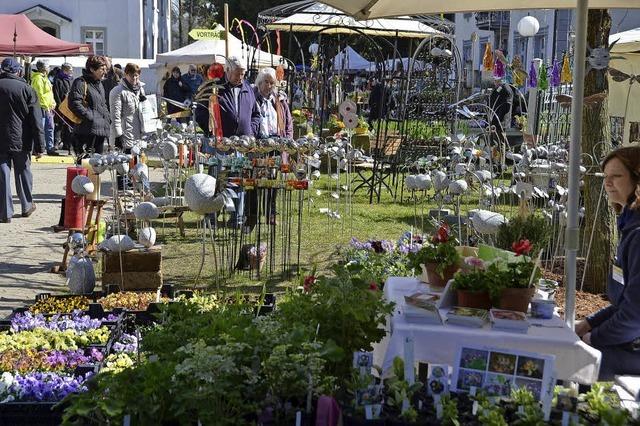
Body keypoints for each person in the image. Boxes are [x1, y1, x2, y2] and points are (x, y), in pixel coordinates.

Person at [575, 146, 640, 380]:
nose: (608, 183)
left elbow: (634, 315)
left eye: (617, 176)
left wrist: (593, 338)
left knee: (572, 366)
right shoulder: (629, 226)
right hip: (628, 341)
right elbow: (624, 302)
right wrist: (588, 323)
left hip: (632, 350)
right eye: (605, 177)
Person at [217, 57, 260, 228]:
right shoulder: (217, 89)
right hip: (223, 143)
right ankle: (213, 215)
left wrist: (251, 130)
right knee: (220, 180)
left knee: (239, 181)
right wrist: (211, 131)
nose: (240, 77)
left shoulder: (248, 88)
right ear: (227, 71)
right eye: (237, 74)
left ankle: (237, 217)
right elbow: (205, 114)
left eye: (243, 74)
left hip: (242, 144)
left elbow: (256, 114)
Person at [0, 58, 44, 223]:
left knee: (2, 174)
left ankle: (5, 212)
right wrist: (40, 146)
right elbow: (36, 120)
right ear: (18, 71)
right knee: (23, 172)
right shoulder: (27, 89)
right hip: (22, 139)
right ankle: (26, 206)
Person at [252, 67, 294, 225]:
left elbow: (288, 123)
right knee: (256, 180)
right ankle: (253, 215)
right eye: (265, 82)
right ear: (259, 82)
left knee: (273, 181)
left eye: (271, 83)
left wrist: (287, 141)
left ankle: (271, 214)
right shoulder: (252, 98)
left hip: (276, 143)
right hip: (259, 143)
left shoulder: (280, 100)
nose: (268, 86)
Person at [110, 63, 146, 189]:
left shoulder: (140, 89)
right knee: (123, 165)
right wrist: (119, 136)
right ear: (126, 75)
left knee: (136, 164)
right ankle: (122, 191)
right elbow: (115, 116)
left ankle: (134, 188)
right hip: (124, 133)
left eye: (137, 76)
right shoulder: (118, 91)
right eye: (132, 76)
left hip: (137, 133)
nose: (135, 79)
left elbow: (143, 112)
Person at [68, 56, 111, 156]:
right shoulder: (80, 82)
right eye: (102, 69)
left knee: (96, 167)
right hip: (85, 132)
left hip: (100, 131)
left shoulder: (99, 84)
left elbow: (103, 104)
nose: (105, 72)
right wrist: (90, 117)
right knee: (84, 166)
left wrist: (107, 118)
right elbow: (74, 103)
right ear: (92, 69)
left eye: (105, 69)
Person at [31, 60, 57, 156]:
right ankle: (37, 148)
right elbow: (39, 94)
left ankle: (50, 148)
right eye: (48, 66)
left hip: (48, 107)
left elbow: (49, 93)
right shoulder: (38, 79)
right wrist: (46, 106)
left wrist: (53, 102)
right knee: (40, 128)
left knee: (50, 127)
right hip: (41, 107)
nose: (49, 68)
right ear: (43, 68)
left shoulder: (45, 78)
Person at [52, 63, 74, 154]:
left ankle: (67, 144)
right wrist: (60, 105)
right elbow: (56, 93)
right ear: (65, 70)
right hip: (60, 106)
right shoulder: (58, 79)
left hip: (68, 107)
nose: (71, 72)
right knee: (59, 125)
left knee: (68, 126)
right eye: (70, 70)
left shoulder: (69, 79)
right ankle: (56, 143)